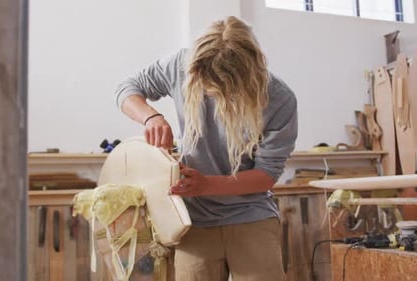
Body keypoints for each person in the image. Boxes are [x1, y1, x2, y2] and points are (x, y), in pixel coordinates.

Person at [115, 16, 297, 281]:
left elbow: (266, 176)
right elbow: (126, 89)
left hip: (251, 217)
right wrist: (151, 117)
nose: (212, 95)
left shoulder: (278, 98)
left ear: (249, 74)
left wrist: (206, 185)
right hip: (192, 222)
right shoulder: (180, 65)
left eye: (223, 90)